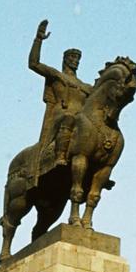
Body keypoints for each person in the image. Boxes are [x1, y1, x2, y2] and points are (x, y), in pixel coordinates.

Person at [28, 19, 92, 178]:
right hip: (60, 116)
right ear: (65, 59)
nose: (75, 61)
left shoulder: (86, 86)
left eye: (78, 59)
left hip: (80, 118)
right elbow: (33, 64)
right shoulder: (57, 76)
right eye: (72, 58)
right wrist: (38, 40)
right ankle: (59, 156)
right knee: (68, 117)